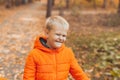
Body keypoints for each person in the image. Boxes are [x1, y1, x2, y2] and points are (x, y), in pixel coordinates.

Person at [23, 16, 90, 80]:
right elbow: (28, 77)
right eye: (58, 34)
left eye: (64, 35)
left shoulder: (67, 53)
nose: (61, 38)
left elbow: (78, 73)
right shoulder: (34, 55)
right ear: (47, 33)